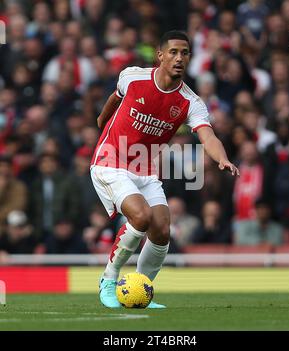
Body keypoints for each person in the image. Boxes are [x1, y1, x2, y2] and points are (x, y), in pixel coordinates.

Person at [90, 30, 239, 309]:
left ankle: (140, 289)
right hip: (110, 162)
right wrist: (101, 120)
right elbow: (116, 96)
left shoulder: (190, 102)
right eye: (173, 52)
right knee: (142, 217)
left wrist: (222, 158)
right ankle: (109, 280)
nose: (179, 58)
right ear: (160, 56)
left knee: (161, 231)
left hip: (145, 169)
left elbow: (207, 135)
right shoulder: (133, 76)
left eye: (185, 53)